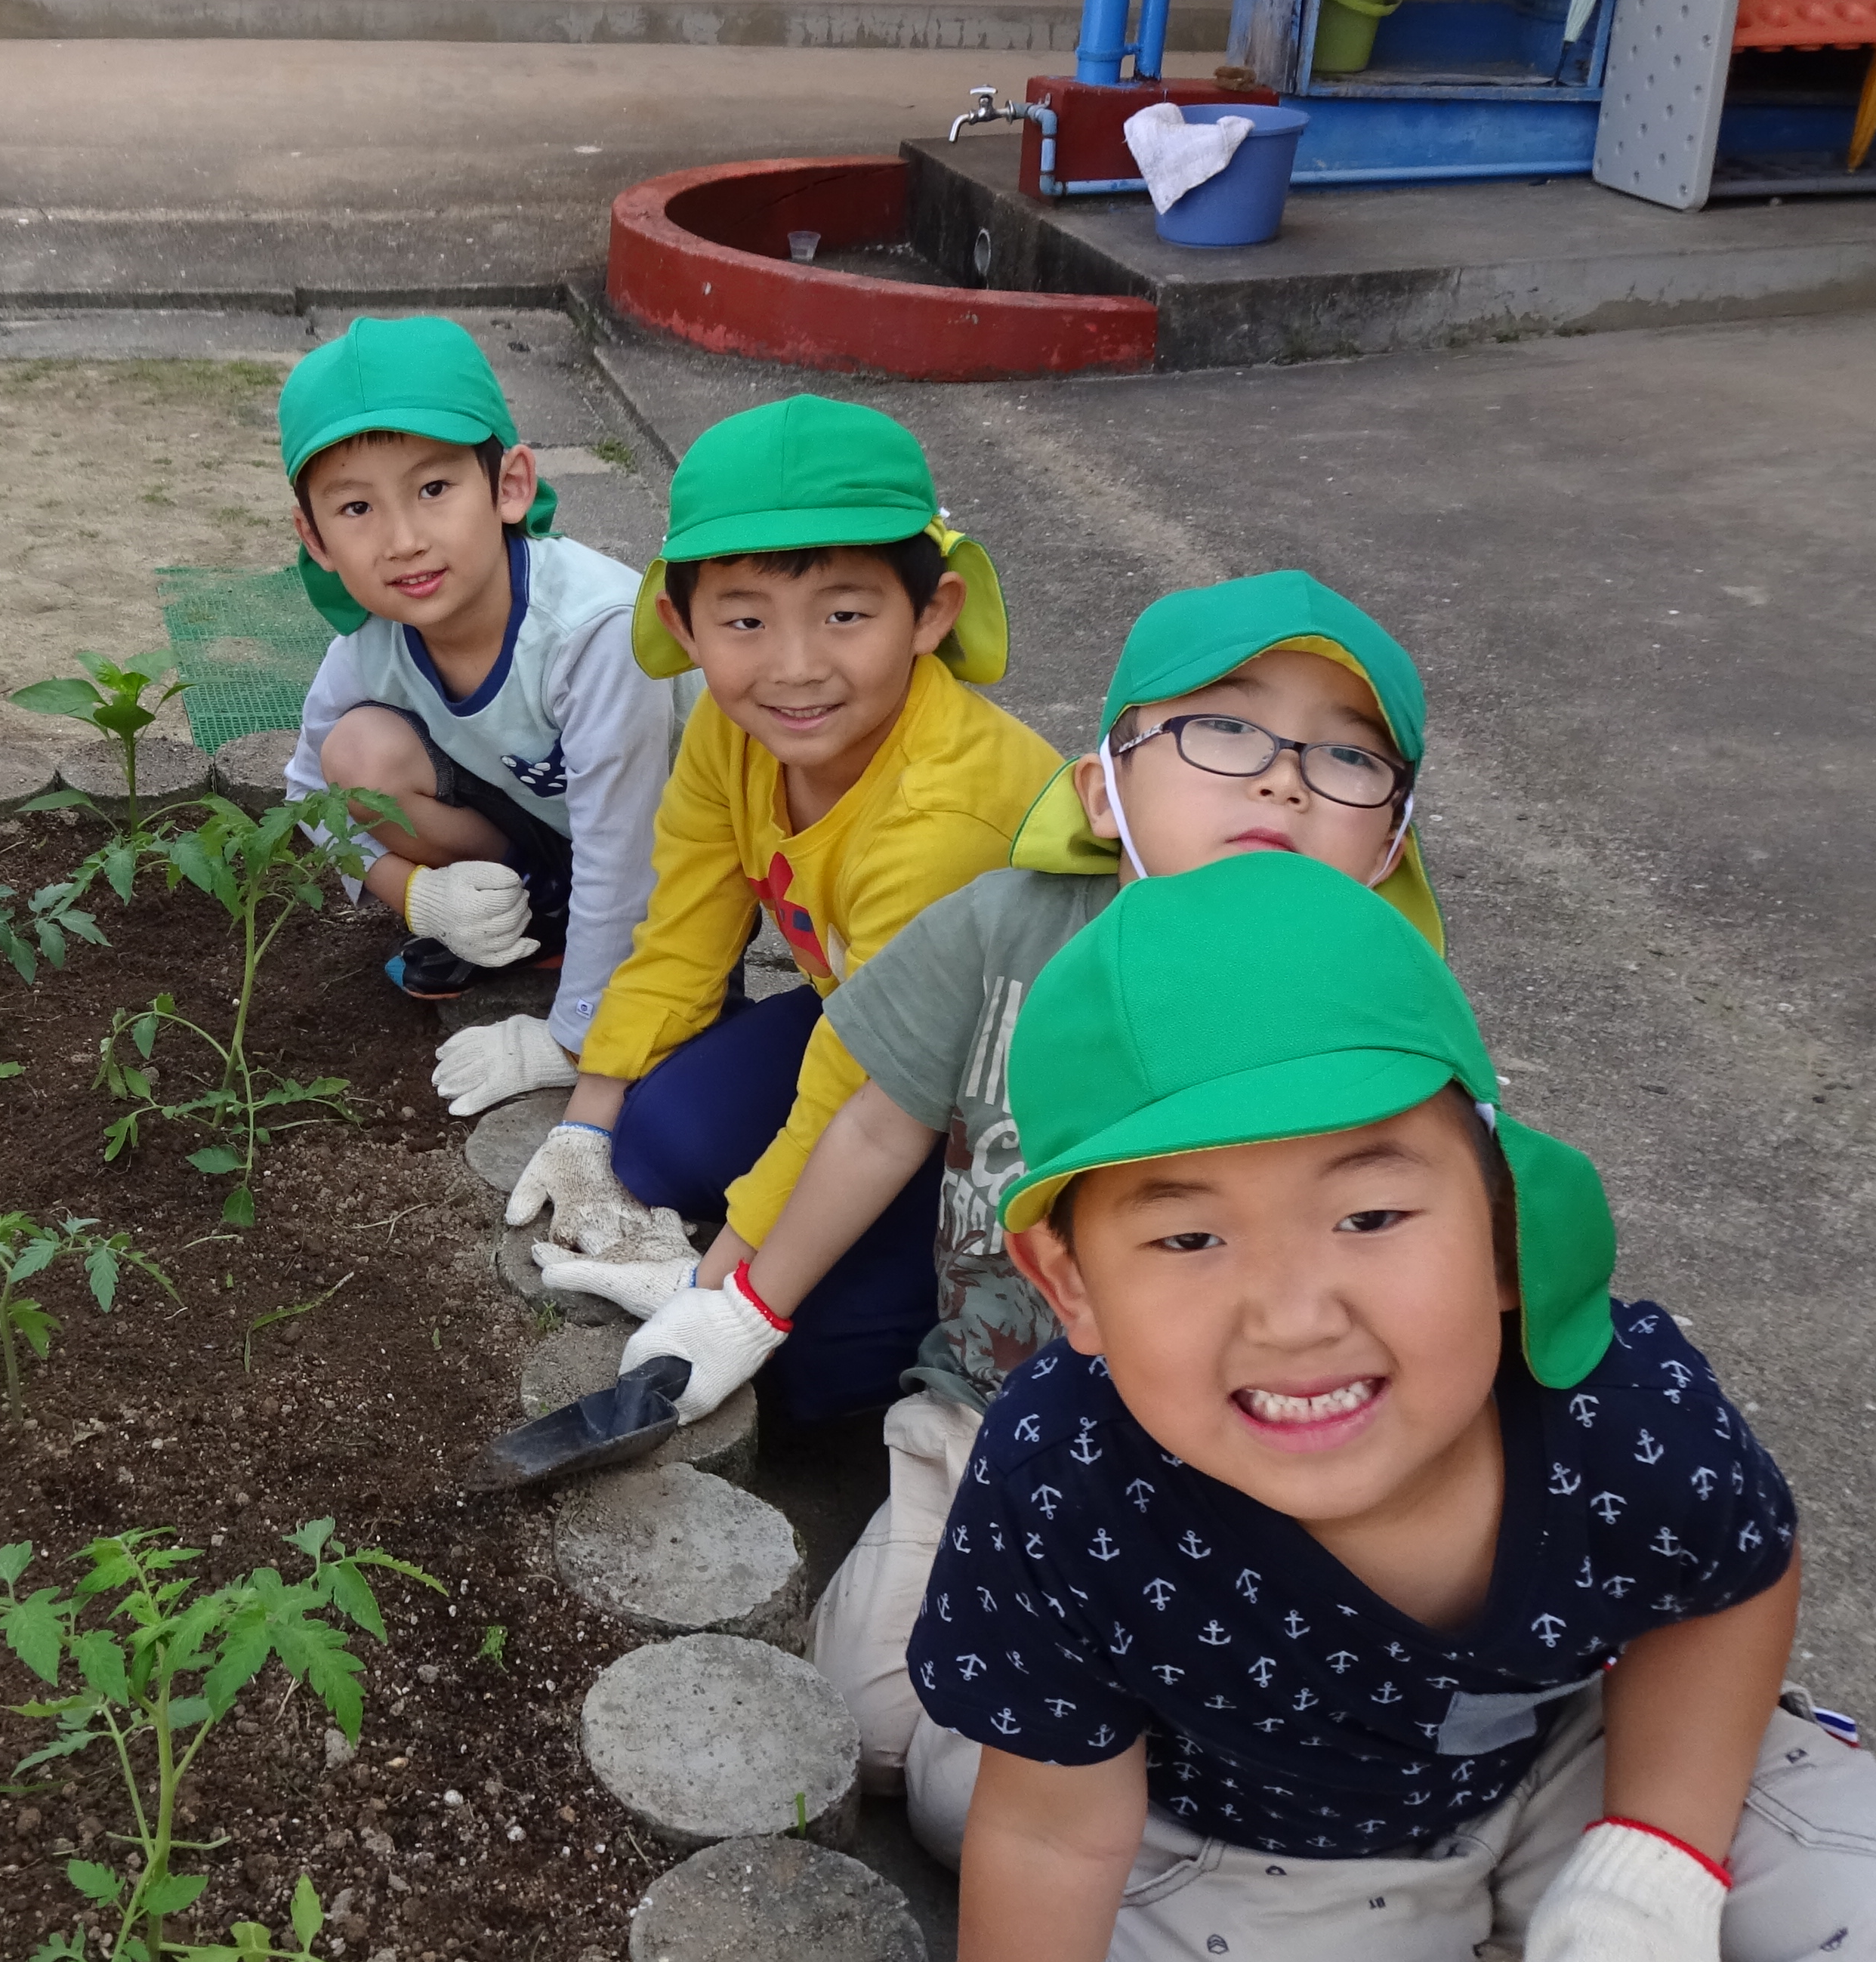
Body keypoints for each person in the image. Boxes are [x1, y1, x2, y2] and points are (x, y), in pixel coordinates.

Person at [797, 853, 1876, 1962]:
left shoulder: (1610, 1395)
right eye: (1186, 1236)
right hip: (1248, 1850)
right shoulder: (1062, 1479)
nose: (1290, 1312)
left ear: (1507, 1221)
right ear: (1068, 1285)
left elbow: (1727, 1576)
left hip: (1584, 1746)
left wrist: (1659, 1861)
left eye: (1371, 1213)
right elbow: (1052, 1837)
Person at [547, 572, 1442, 1836]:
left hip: (1225, 1485)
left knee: (997, 1805)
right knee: (853, 1729)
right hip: (975, 1415)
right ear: (1102, 785)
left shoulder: (1383, 1028)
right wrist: (737, 1308)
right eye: (1224, 728)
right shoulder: (1014, 922)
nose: (1284, 779)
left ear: (1389, 845)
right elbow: (874, 1115)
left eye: (1348, 756)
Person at [495, 395, 1063, 1426]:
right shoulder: (729, 727)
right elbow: (682, 934)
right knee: (652, 1140)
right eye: (746, 620)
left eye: (846, 615)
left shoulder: (942, 812)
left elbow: (866, 1088)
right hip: (879, 1024)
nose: (795, 667)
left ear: (929, 613)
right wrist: (585, 1122)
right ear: (683, 623)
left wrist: (727, 1289)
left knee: (808, 1369)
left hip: (1021, 1092)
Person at [275, 316, 680, 1051]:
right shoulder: (373, 640)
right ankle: (528, 913)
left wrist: (575, 1038)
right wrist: (417, 895)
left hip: (677, 867)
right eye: (357, 508)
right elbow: (308, 796)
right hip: (551, 843)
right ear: (316, 538)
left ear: (510, 485)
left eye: (433, 487)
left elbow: (627, 857)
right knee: (356, 758)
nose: (403, 540)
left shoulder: (593, 634)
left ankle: (572, 951)